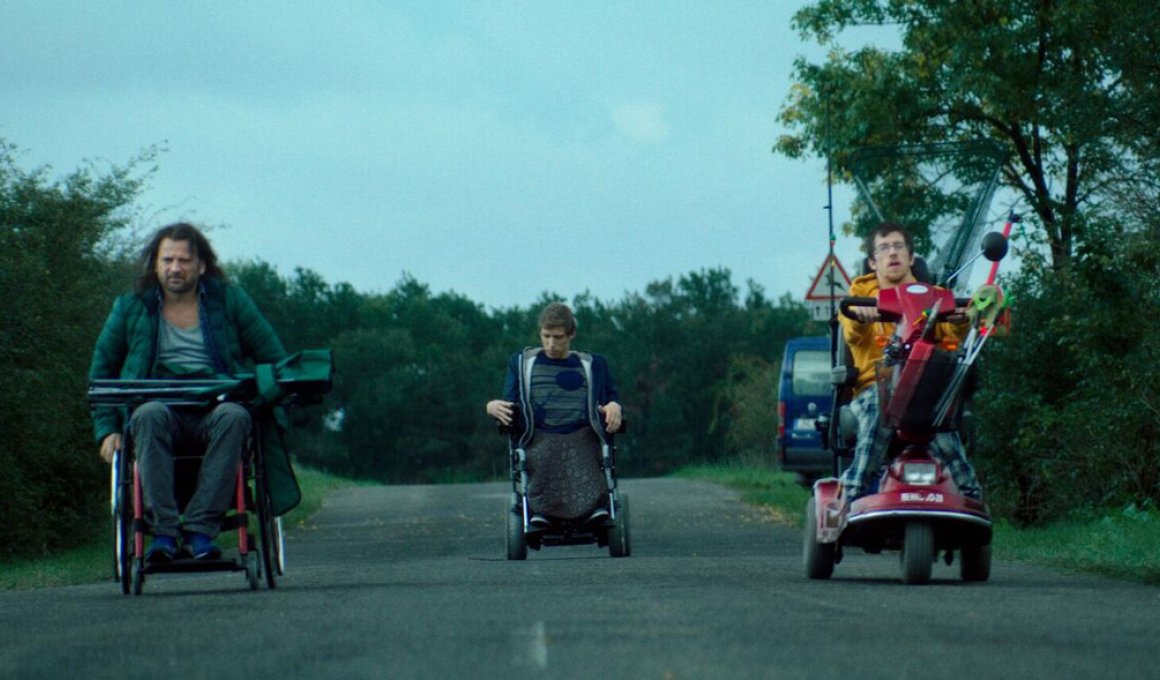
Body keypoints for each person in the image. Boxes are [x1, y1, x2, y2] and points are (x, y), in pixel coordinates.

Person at [89, 222, 287, 562]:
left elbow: (273, 357)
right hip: (158, 411)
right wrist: (107, 430)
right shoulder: (130, 307)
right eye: (167, 260)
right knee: (147, 414)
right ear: (155, 264)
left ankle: (199, 531)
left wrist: (266, 400)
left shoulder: (230, 301)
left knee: (235, 416)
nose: (175, 268)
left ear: (202, 265)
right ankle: (164, 534)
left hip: (216, 410)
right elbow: (101, 372)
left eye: (183, 260)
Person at [838, 222, 982, 502]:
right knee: (882, 404)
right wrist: (860, 316)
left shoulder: (934, 297)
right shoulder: (858, 299)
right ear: (872, 262)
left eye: (898, 246)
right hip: (873, 390)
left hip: (922, 391)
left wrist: (961, 320)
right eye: (884, 248)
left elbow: (951, 336)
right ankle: (853, 491)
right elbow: (852, 332)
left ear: (911, 257)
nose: (892, 253)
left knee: (943, 422)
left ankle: (970, 496)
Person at [486, 302, 622, 527]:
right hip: (539, 434)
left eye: (558, 337)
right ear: (540, 333)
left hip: (583, 433)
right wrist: (491, 406)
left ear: (571, 334)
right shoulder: (522, 363)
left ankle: (593, 509)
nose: (551, 344)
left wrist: (614, 405)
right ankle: (542, 511)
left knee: (585, 452)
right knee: (544, 452)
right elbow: (510, 404)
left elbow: (611, 397)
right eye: (546, 336)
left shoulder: (593, 364)